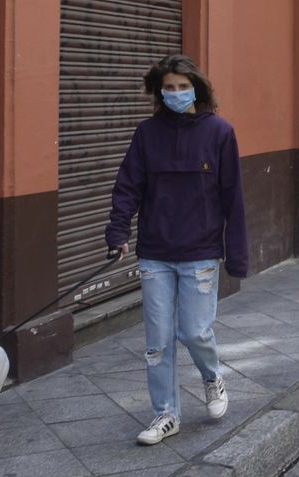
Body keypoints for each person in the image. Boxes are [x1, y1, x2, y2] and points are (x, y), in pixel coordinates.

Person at [106, 54, 248, 445]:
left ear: (197, 89)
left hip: (201, 253)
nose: (175, 93)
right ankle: (166, 414)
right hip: (155, 253)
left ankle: (211, 376)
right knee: (157, 342)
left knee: (194, 332)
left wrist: (236, 255)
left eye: (183, 87)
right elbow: (128, 186)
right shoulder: (146, 135)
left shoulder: (220, 133)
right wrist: (117, 232)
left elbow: (233, 198)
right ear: (159, 91)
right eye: (168, 88)